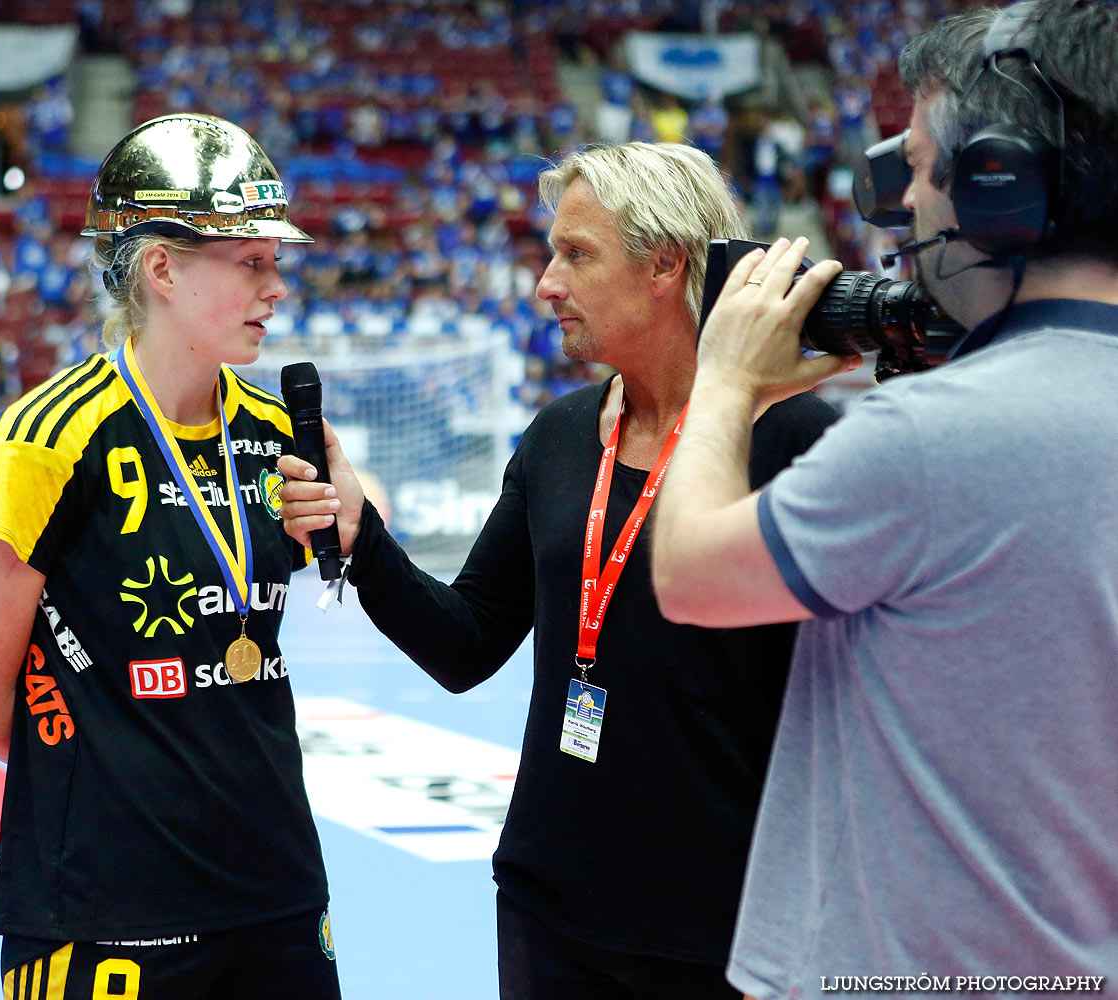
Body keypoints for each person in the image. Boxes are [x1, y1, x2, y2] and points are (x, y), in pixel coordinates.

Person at [280, 142, 840, 999]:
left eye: (575, 254)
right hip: (550, 908)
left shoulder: (798, 442)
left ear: (664, 265)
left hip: (726, 930)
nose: (546, 282)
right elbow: (466, 645)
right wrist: (364, 538)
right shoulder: (562, 435)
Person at [649, 2, 1118, 995]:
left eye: (914, 166)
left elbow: (690, 572)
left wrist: (725, 379)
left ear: (1000, 181)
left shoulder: (932, 437)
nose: (898, 202)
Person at [0, 114, 342, 1000]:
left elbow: (361, 549)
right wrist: (132, 769)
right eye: (252, 262)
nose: (277, 287)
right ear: (161, 268)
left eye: (275, 260)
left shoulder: (280, 432)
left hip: (275, 896)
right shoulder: (41, 446)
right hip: (104, 912)